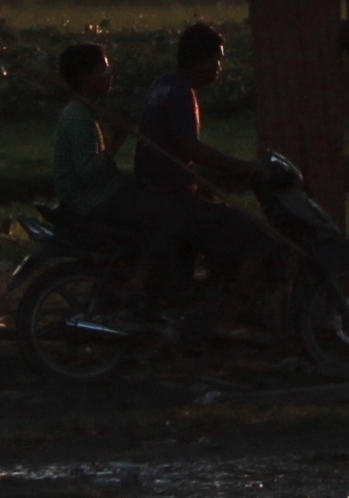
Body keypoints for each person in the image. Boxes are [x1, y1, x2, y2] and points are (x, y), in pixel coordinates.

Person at [133, 23, 291, 298]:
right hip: (173, 199)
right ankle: (229, 312)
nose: (220, 66)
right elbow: (190, 148)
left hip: (159, 191)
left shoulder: (163, 85)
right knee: (262, 238)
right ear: (201, 60)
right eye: (216, 59)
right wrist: (237, 165)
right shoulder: (182, 92)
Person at [50, 43, 197, 303]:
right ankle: (139, 280)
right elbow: (87, 173)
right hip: (92, 199)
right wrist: (119, 139)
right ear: (85, 78)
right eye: (104, 70)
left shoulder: (84, 111)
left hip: (98, 193)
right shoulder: (79, 118)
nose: (110, 75)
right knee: (171, 213)